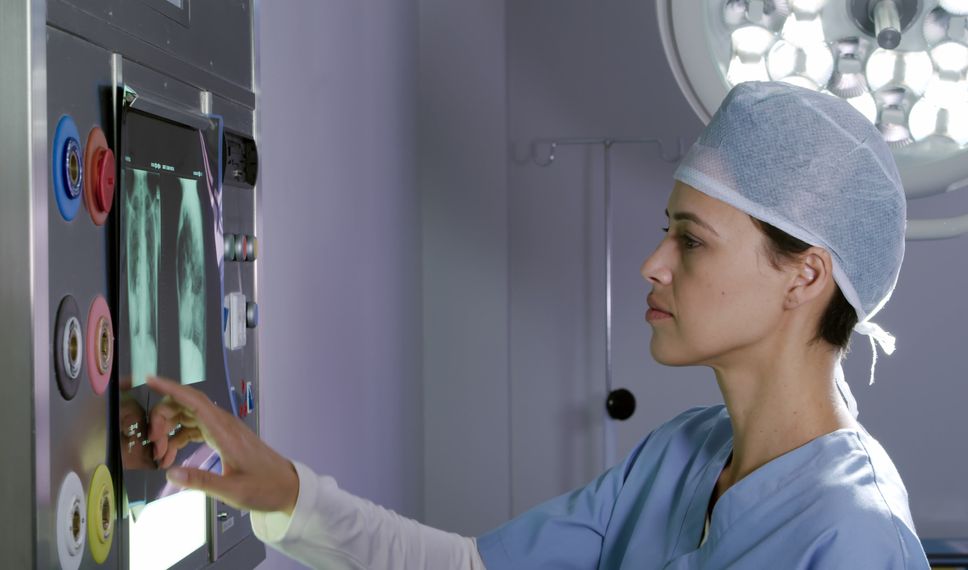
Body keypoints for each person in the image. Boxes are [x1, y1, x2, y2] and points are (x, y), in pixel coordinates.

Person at [143, 81, 930, 569]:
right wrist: (284, 493)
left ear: (806, 275)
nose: (653, 264)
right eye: (667, 230)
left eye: (690, 241)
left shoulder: (854, 540)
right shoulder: (683, 454)